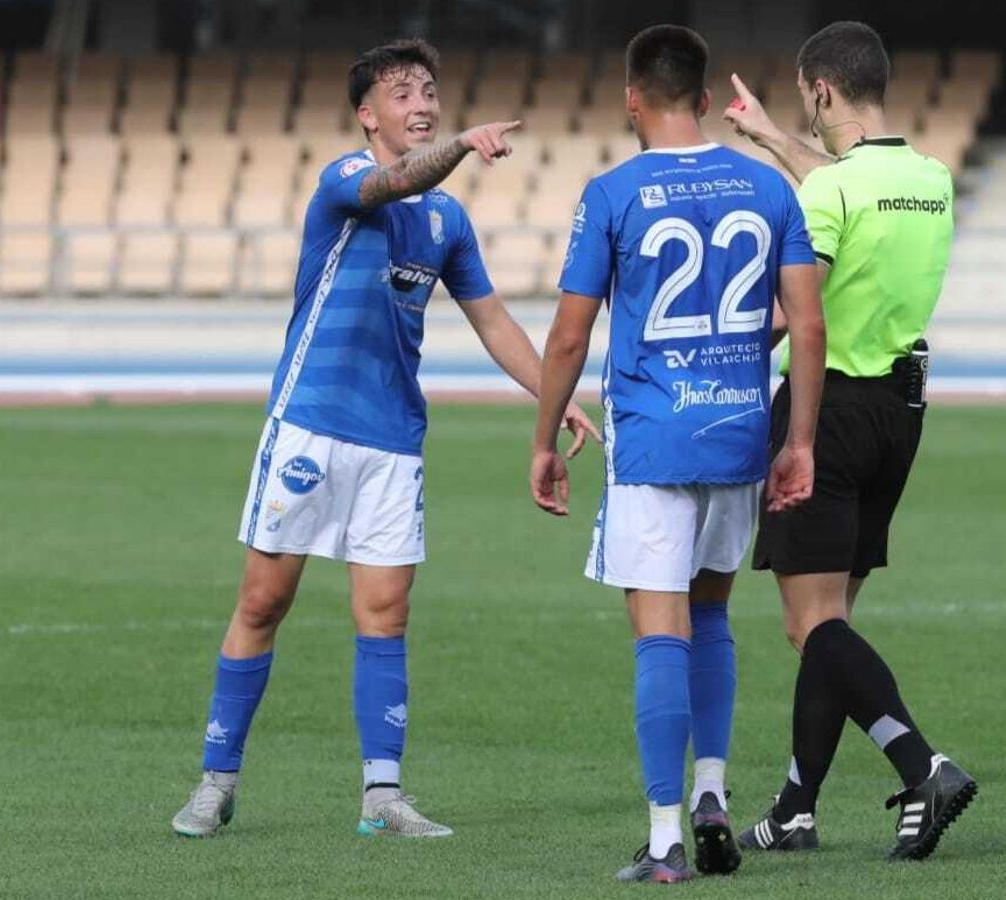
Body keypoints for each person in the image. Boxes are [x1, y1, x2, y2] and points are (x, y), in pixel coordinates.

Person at [169, 38, 599, 839]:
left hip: (393, 440)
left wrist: (557, 396)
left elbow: (494, 321)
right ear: (369, 115)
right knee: (264, 601)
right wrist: (462, 146)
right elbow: (397, 178)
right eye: (403, 93)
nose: (422, 103)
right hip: (311, 423)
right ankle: (215, 782)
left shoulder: (448, 219)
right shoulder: (345, 183)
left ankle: (382, 799)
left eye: (429, 90)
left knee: (387, 611)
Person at [530, 24, 826, 884]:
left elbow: (569, 337)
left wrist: (545, 439)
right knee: (712, 617)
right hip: (737, 431)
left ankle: (664, 841)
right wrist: (798, 441)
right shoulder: (769, 188)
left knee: (658, 633)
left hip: (653, 438)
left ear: (632, 98)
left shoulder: (613, 192)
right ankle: (712, 792)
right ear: (702, 100)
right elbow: (806, 324)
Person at [722, 20, 975, 861]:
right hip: (900, 416)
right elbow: (847, 180)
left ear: (821, 89)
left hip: (825, 413)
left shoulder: (826, 196)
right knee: (833, 624)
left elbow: (803, 309)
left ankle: (921, 763)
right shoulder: (931, 179)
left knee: (809, 628)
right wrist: (768, 136)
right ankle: (794, 808)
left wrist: (723, 363)